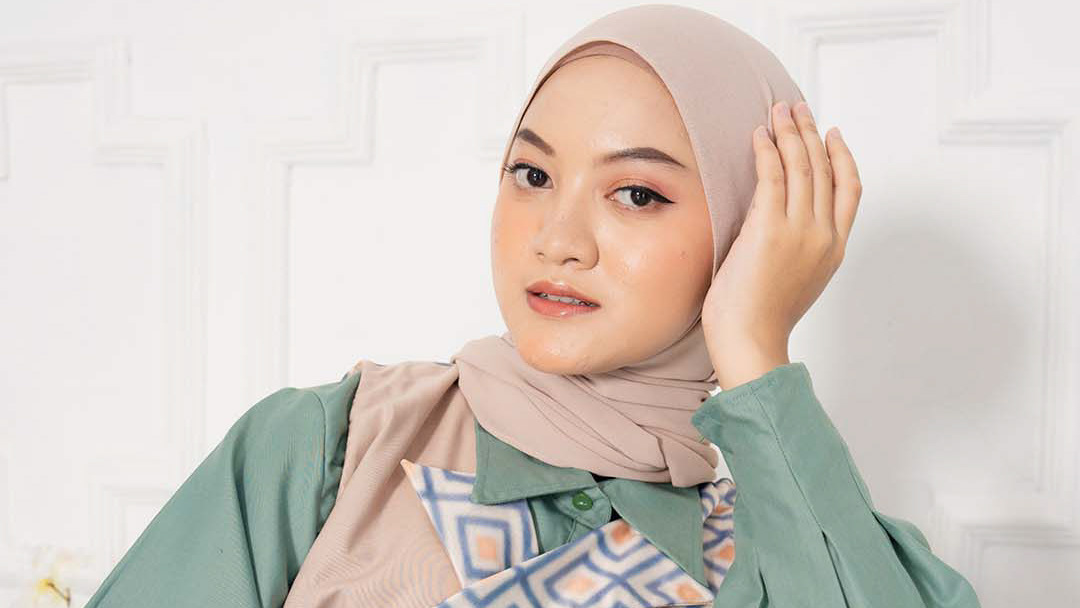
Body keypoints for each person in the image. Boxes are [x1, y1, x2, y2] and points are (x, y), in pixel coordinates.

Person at [83, 4, 983, 607]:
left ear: (750, 230)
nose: (557, 238)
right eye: (532, 174)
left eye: (637, 194)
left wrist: (753, 344)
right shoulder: (330, 448)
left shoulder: (781, 535)